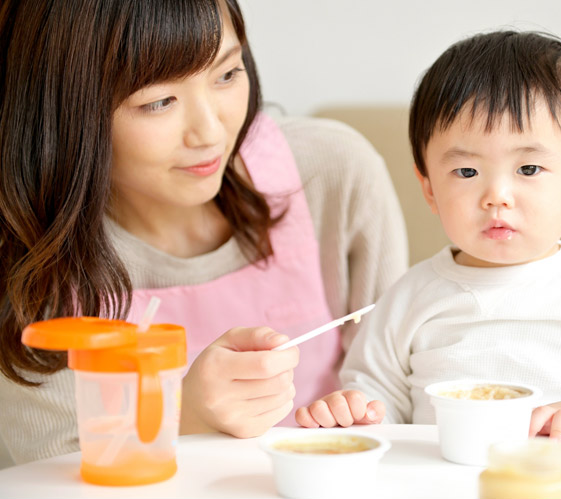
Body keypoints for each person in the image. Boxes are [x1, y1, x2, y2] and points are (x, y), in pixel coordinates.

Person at [0, 0, 407, 465]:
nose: (210, 131)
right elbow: (51, 473)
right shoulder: (26, 256)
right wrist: (186, 414)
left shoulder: (332, 172)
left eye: (227, 75)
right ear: (63, 112)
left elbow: (397, 379)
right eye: (158, 101)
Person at [296, 30, 561, 448]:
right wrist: (355, 414)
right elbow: (378, 400)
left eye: (528, 169)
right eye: (467, 172)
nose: (496, 197)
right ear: (429, 187)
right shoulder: (409, 296)